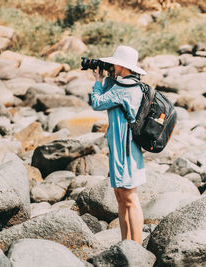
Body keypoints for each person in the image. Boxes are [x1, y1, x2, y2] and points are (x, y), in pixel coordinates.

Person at [90, 45, 147, 244]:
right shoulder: (130, 84)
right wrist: (107, 78)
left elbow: (97, 102)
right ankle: (126, 243)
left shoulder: (124, 89)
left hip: (125, 150)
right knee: (120, 196)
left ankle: (136, 247)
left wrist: (98, 81)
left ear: (122, 66)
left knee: (129, 197)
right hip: (122, 148)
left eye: (114, 63)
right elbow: (109, 95)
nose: (112, 66)